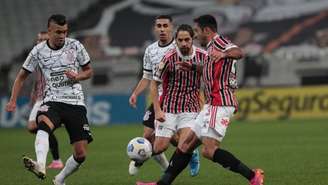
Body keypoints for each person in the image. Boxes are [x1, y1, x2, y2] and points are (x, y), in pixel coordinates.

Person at [137, 14, 264, 185]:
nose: (195, 35)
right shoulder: (210, 48)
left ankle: (253, 176)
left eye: (196, 31)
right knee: (185, 146)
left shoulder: (219, 43)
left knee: (208, 150)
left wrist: (224, 54)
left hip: (219, 103)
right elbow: (209, 69)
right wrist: (193, 66)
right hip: (211, 105)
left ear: (206, 30)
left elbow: (239, 52)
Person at [6, 14, 93, 185]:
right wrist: (13, 100)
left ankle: (59, 179)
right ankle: (41, 164)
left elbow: (89, 71)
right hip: (52, 100)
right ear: (49, 31)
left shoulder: (75, 46)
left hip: (75, 102)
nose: (62, 35)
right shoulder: (38, 51)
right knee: (42, 125)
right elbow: (21, 76)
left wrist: (78, 76)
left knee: (81, 154)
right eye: (58, 32)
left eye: (65, 32)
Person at [128, 15, 200, 177]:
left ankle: (187, 152)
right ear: (155, 29)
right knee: (148, 135)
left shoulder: (181, 45)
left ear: (171, 28)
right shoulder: (150, 50)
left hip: (178, 100)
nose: (162, 29)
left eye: (165, 26)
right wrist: (135, 93)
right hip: (158, 99)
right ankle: (182, 155)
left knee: (168, 139)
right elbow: (147, 77)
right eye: (159, 26)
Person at [27, 31, 64, 170]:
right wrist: (33, 96)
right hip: (39, 98)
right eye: (38, 39)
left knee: (33, 127)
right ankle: (56, 160)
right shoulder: (37, 56)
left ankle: (56, 160)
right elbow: (37, 81)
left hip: (48, 98)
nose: (40, 42)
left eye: (43, 39)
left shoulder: (51, 56)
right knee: (37, 128)